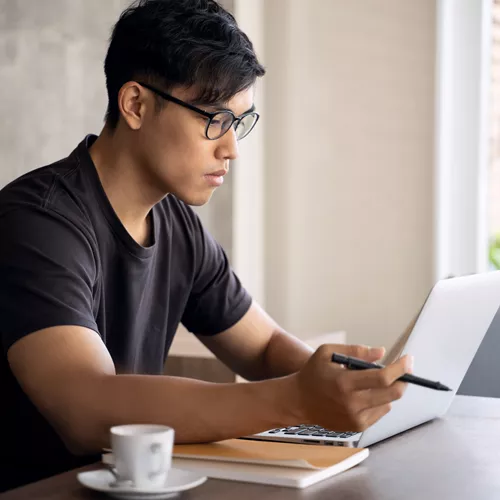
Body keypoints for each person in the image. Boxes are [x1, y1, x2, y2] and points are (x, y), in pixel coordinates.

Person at [0, 0, 412, 491]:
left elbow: (263, 348)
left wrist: (353, 389)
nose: (231, 147)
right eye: (214, 119)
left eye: (238, 122)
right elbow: (84, 409)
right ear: (136, 104)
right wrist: (298, 399)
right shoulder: (37, 222)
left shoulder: (176, 223)